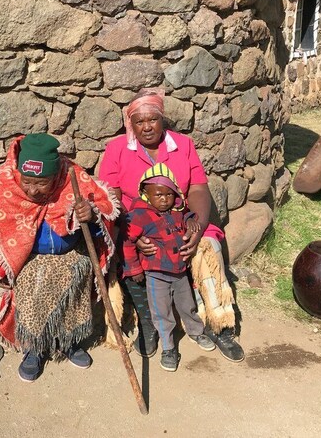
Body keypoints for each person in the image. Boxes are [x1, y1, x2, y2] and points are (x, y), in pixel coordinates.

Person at [98, 89, 245, 362]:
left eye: (152, 119)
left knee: (208, 247)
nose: (146, 127)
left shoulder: (182, 145)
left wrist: (198, 226)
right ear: (130, 123)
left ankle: (219, 323)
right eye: (139, 121)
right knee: (126, 249)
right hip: (136, 224)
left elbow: (199, 190)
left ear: (162, 119)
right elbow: (111, 196)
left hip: (181, 221)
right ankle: (148, 324)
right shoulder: (117, 149)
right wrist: (131, 231)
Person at [0, 133, 120, 382]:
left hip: (71, 254)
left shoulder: (73, 179)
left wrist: (90, 215)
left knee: (76, 286)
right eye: (27, 182)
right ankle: (33, 349)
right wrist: (1, 266)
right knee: (31, 288)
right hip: (29, 260)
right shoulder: (6, 185)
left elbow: (106, 218)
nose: (32, 190)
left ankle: (70, 342)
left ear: (55, 175)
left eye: (42, 183)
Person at [123, 163, 215, 372]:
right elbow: (127, 242)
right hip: (157, 276)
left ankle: (196, 331)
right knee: (161, 312)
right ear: (146, 194)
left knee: (187, 305)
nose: (164, 199)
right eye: (158, 195)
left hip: (180, 272)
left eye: (168, 194)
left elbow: (187, 216)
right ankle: (168, 347)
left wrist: (192, 220)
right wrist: (135, 269)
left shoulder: (176, 212)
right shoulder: (138, 216)